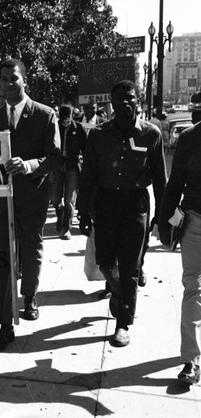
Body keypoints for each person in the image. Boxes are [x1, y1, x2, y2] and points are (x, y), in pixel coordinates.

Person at [77, 80, 166, 348]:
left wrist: (161, 216)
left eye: (129, 98)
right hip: (106, 203)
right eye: (118, 99)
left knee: (129, 268)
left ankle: (123, 323)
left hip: (135, 204)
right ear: (111, 104)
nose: (124, 103)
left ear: (138, 100)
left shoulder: (152, 134)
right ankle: (119, 293)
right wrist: (82, 211)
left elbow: (161, 179)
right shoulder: (98, 134)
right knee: (105, 262)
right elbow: (88, 176)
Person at [0, 58, 60, 351]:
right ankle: (5, 323)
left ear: (24, 80)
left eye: (13, 78)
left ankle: (29, 295)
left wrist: (28, 165)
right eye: (2, 80)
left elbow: (54, 158)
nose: (7, 84)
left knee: (31, 251)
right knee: (2, 259)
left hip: (31, 199)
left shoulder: (44, 115)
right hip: (1, 203)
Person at [158, 116, 201, 384]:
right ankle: (191, 360)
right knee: (193, 287)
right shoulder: (189, 137)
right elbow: (175, 183)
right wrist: (163, 222)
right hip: (195, 220)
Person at [51, 104, 87, 240]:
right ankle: (60, 215)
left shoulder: (79, 128)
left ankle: (67, 228)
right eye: (63, 120)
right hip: (57, 166)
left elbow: (86, 149)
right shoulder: (54, 127)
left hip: (72, 166)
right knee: (55, 199)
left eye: (68, 120)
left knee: (69, 199)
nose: (65, 123)